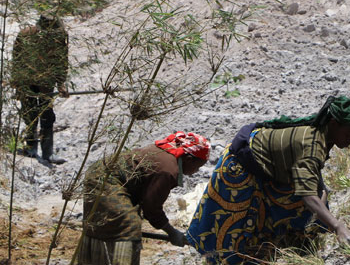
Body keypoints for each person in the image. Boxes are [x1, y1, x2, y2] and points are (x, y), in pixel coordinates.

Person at [187, 95, 350, 264]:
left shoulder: (322, 135)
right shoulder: (312, 145)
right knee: (231, 231)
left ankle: (290, 246)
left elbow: (312, 181)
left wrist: (322, 205)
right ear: (333, 124)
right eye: (348, 135)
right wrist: (338, 226)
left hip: (267, 169)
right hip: (240, 168)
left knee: (305, 206)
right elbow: (308, 196)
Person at [78, 131, 210, 265]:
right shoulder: (168, 171)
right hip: (105, 179)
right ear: (188, 159)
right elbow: (151, 208)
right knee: (128, 224)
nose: (196, 171)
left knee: (106, 224)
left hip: (101, 172)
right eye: (197, 166)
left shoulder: (168, 153)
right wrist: (171, 232)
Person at [10, 14, 69, 164]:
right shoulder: (26, 35)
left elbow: (61, 62)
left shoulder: (59, 37)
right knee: (30, 114)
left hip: (46, 83)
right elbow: (17, 58)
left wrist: (61, 84)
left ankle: (48, 153)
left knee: (47, 116)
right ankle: (30, 148)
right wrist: (16, 81)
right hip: (27, 81)